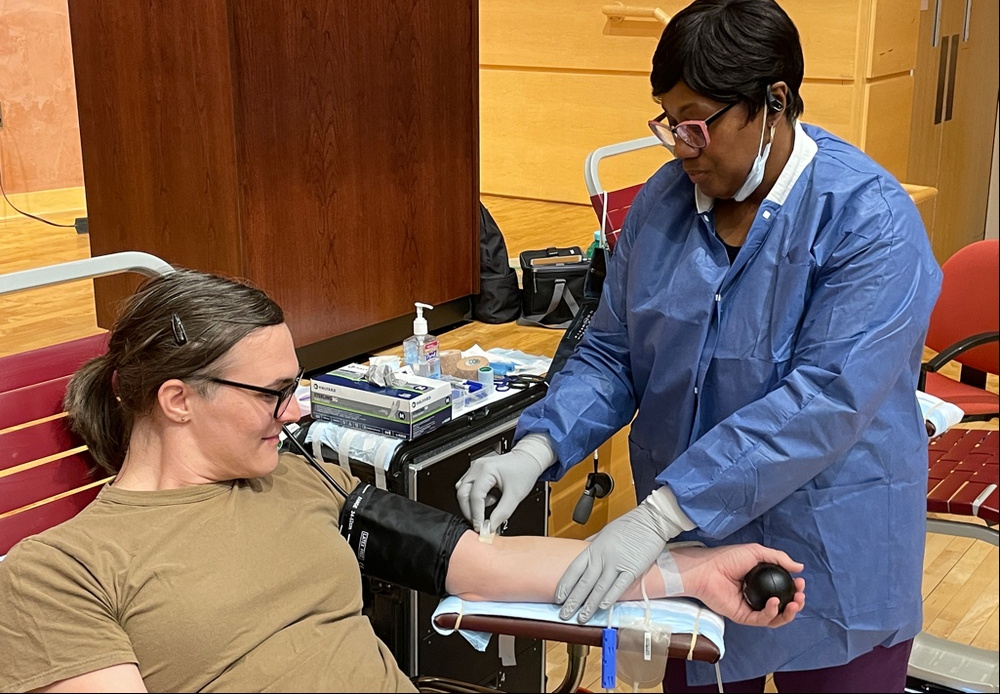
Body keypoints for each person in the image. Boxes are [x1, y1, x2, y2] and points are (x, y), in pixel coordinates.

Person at [456, 0, 942, 693]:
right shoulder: (662, 204)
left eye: (698, 125)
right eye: (668, 123)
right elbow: (613, 352)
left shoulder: (868, 220)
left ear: (773, 103)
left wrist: (659, 514)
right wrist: (539, 446)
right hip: (698, 548)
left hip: (832, 540)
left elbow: (825, 400)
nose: (680, 146)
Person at [0, 268, 805, 694]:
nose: (298, 410)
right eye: (275, 394)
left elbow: (478, 565)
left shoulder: (296, 481)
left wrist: (690, 571)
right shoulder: (58, 574)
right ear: (177, 399)